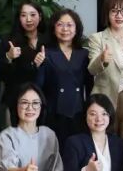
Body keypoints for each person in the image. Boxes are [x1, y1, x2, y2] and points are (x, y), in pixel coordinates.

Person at [86, 0, 123, 151]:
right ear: (107, 13)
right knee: (105, 142)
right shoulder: (97, 38)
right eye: (114, 11)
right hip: (105, 98)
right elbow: (92, 69)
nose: (119, 15)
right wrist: (102, 59)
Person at [37, 8, 90, 150]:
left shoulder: (84, 54)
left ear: (76, 28)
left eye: (69, 25)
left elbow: (89, 86)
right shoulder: (45, 53)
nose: (65, 29)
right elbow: (38, 86)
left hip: (78, 112)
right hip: (53, 113)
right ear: (53, 28)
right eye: (60, 24)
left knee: (76, 151)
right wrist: (37, 65)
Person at [0, 0, 47, 122]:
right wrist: (9, 57)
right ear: (18, 18)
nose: (28, 19)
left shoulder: (48, 41)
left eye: (33, 14)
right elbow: (3, 75)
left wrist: (39, 65)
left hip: (43, 101)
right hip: (16, 100)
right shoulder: (9, 41)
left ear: (40, 16)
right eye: (23, 15)